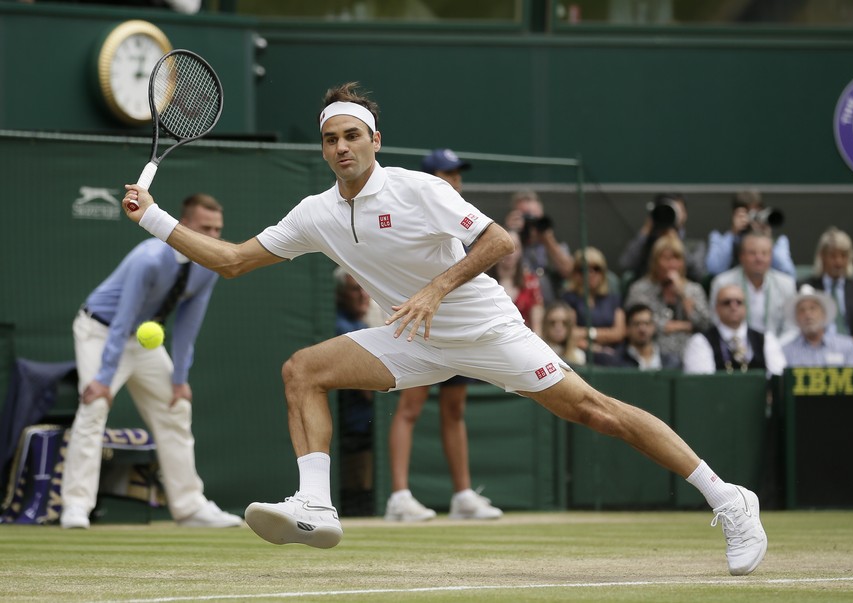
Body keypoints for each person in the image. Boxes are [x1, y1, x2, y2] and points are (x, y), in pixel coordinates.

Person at [121, 82, 767, 576]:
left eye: (352, 135)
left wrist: (434, 287)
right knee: (302, 370)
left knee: (596, 411)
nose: (341, 147)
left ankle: (729, 498)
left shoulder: (418, 189)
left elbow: (500, 240)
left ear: (374, 140)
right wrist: (153, 219)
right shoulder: (315, 214)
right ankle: (315, 506)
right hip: (412, 335)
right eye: (330, 139)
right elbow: (232, 260)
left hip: (484, 327)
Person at [61, 193, 242, 530]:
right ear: (183, 224)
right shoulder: (148, 259)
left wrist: (179, 379)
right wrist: (103, 378)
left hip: (142, 341)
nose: (214, 237)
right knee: (95, 407)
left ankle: (190, 507)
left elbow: (189, 324)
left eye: (218, 230)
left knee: (177, 408)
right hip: (100, 331)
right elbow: (122, 320)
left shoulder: (210, 266)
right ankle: (75, 506)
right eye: (206, 228)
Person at [385, 147, 502, 522]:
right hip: (417, 320)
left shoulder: (464, 217)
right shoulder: (417, 208)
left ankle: (463, 496)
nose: (455, 181)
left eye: (457, 174)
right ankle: (399, 498)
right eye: (447, 174)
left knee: (454, 411)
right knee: (410, 409)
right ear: (430, 177)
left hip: (460, 322)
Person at [624, 234, 710, 360]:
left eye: (677, 258)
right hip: (652, 353)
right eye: (666, 259)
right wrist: (686, 326)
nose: (672, 264)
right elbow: (639, 326)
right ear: (655, 262)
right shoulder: (640, 289)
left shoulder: (693, 289)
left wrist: (683, 294)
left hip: (691, 353)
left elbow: (704, 324)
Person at [333, 267, 375, 516]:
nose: (363, 295)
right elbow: (369, 390)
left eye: (365, 288)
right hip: (352, 430)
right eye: (354, 289)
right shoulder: (342, 329)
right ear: (339, 295)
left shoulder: (360, 324)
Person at [799, 227, 853, 365]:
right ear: (822, 256)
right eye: (833, 256)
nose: (838, 262)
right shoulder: (805, 287)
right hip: (813, 354)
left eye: (843, 256)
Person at [709, 232, 797, 344]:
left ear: (771, 257)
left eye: (764, 253)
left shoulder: (787, 284)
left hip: (777, 349)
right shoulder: (722, 283)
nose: (759, 258)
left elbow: (791, 328)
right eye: (752, 253)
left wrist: (772, 350)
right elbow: (716, 321)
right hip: (733, 348)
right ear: (741, 256)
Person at [683, 285, 786, 376]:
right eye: (727, 302)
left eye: (739, 302)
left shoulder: (766, 339)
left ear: (746, 307)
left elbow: (778, 377)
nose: (733, 307)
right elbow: (701, 383)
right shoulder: (700, 342)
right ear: (716, 308)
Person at [503, 189, 574, 305]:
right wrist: (507, 232)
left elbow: (569, 271)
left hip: (550, 307)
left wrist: (547, 239)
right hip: (518, 306)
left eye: (535, 218)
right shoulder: (510, 241)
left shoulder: (553, 243)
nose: (531, 223)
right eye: (527, 218)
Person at [618, 193, 707, 283]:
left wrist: (675, 241)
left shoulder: (695, 245)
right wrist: (646, 230)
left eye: (676, 209)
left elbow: (697, 274)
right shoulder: (646, 243)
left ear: (684, 214)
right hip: (647, 291)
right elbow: (626, 264)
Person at [706, 190, 795, 278]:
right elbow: (715, 269)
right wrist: (732, 234)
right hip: (732, 287)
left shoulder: (778, 240)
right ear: (735, 214)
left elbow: (788, 273)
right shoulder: (720, 236)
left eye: (757, 213)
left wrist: (766, 239)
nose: (753, 218)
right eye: (748, 213)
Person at [562, 247, 625, 352]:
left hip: (614, 353)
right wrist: (597, 347)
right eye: (583, 269)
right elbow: (571, 333)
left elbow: (619, 333)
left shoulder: (613, 299)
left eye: (596, 269)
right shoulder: (569, 299)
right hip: (583, 353)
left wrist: (589, 333)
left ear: (603, 273)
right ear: (575, 273)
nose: (590, 274)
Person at [782, 285, 853, 367]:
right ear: (796, 318)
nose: (807, 314)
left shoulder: (847, 346)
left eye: (813, 308)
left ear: (824, 314)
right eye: (802, 310)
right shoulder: (786, 352)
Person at [486, 229, 544, 334]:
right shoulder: (484, 281)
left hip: (522, 340)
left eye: (515, 247)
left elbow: (537, 328)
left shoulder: (531, 283)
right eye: (505, 246)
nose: (510, 252)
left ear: (521, 251)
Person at [597, 304, 682, 370]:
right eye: (637, 324)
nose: (642, 329)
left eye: (647, 323)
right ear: (627, 328)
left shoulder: (670, 362)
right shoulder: (617, 362)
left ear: (653, 327)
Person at [541, 301, 586, 366]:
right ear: (545, 325)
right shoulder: (539, 353)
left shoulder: (578, 355)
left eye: (564, 323)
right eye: (552, 323)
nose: (558, 328)